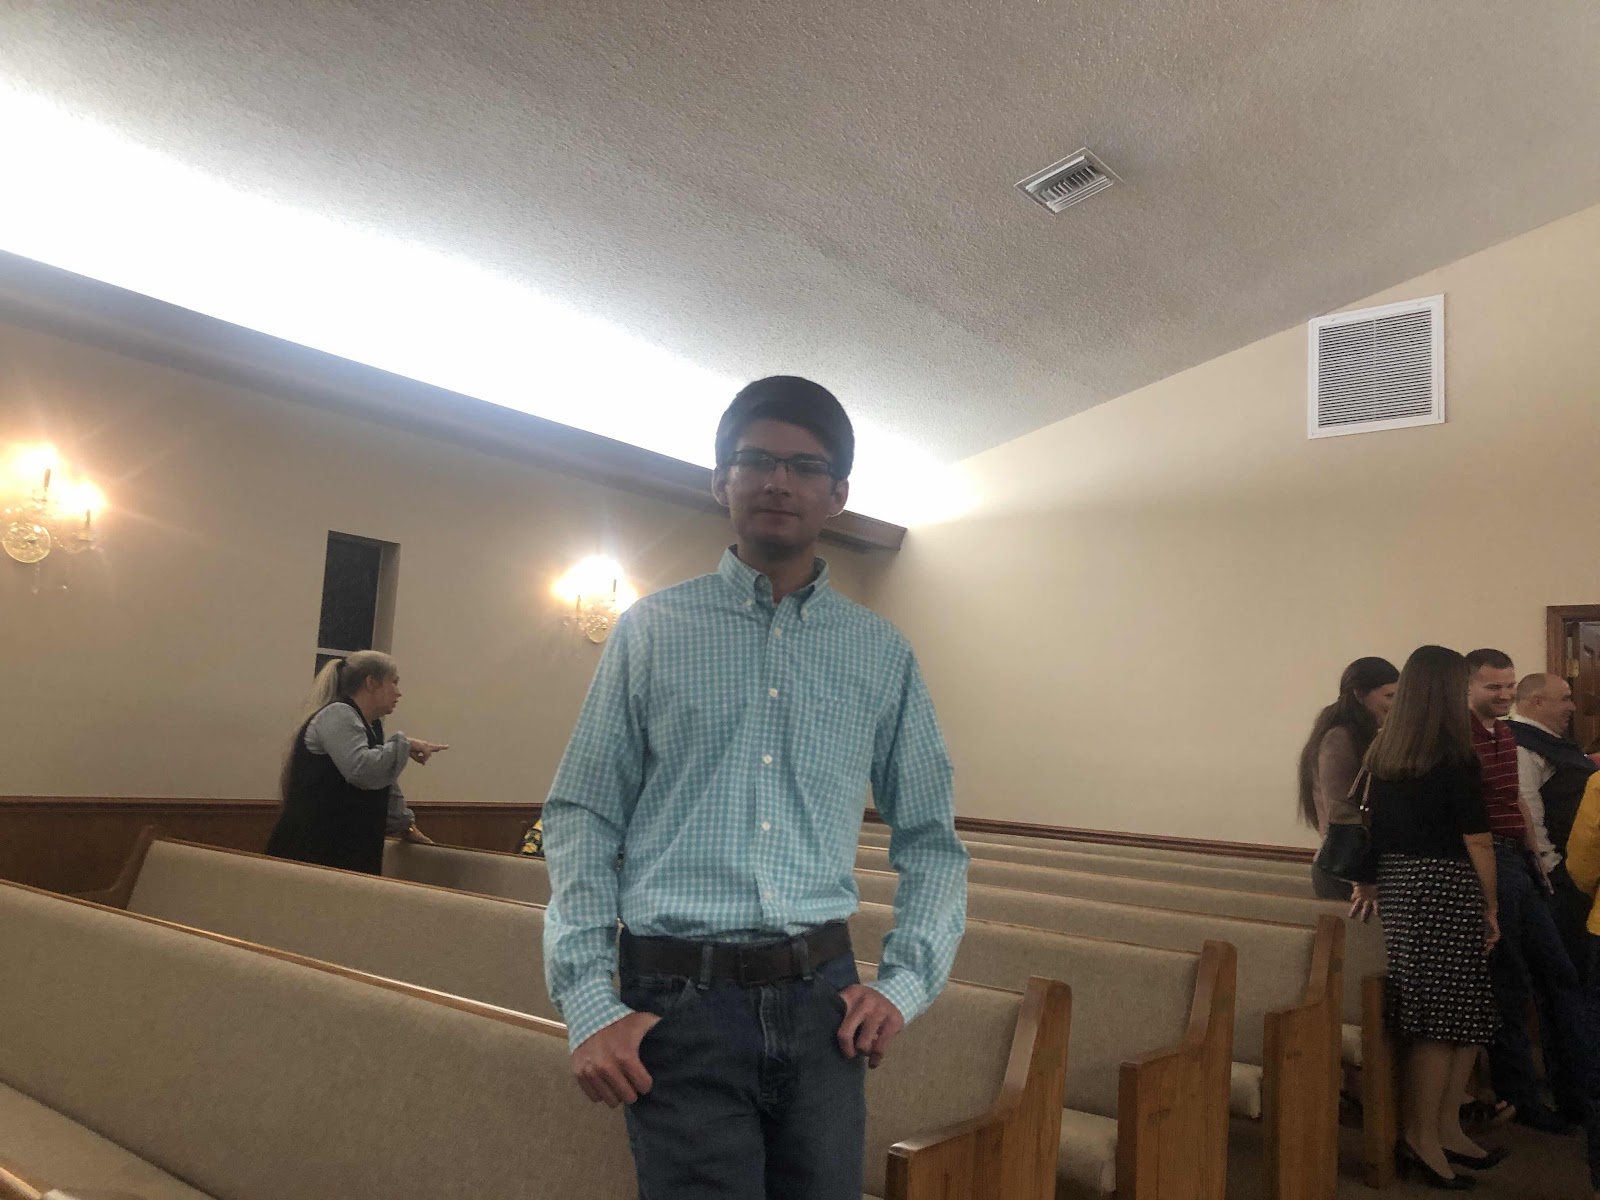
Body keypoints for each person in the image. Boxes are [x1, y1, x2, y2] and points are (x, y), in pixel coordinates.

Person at [541, 375, 969, 1200]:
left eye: (805, 467)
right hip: (678, 1002)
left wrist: (906, 983)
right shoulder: (651, 632)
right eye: (756, 460)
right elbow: (582, 814)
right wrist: (589, 999)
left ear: (837, 495)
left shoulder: (881, 652)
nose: (779, 481)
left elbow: (931, 840)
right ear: (720, 481)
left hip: (824, 1002)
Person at [1366, 645, 1503, 1188]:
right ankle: (1421, 1136)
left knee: (1462, 1013)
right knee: (1441, 1021)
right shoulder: (1454, 756)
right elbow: (1478, 841)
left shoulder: (1384, 751)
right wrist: (1491, 905)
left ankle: (1445, 1127)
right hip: (1446, 884)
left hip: (1404, 883)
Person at [1465, 649, 1590, 1137]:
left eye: (1508, 686)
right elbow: (1483, 819)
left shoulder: (1503, 734)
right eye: (1493, 686)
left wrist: (1537, 863)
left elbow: (1517, 803)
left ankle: (1576, 1091)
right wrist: (1535, 875)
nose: (1503, 694)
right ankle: (1522, 1097)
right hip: (1495, 862)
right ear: (1467, 687)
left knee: (1558, 974)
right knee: (1512, 984)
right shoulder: (1468, 738)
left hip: (1523, 861)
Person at [266, 651, 447, 875]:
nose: (399, 692)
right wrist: (405, 744)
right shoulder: (338, 713)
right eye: (394, 682)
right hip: (313, 850)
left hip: (345, 850)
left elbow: (384, 783)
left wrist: (406, 827)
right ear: (371, 682)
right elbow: (362, 769)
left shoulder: (371, 725)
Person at [1512, 673, 1600, 977]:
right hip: (1558, 875)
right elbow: (1527, 809)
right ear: (1537, 702)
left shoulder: (1551, 742)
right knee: (1569, 968)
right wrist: (1549, 865)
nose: (1572, 707)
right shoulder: (1520, 744)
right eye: (1565, 699)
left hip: (1574, 870)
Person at [1297, 656, 1399, 902]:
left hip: (1360, 868)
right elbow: (1342, 812)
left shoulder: (1367, 734)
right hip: (1346, 873)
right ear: (1359, 695)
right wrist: (1361, 881)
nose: (1396, 704)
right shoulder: (1339, 737)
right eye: (1389, 696)